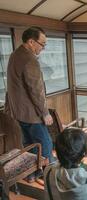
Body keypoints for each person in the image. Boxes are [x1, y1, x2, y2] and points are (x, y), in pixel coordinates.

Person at [4, 27, 54, 165]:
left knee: (29, 145)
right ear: (31, 42)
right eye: (42, 44)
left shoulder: (14, 55)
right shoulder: (30, 60)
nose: (43, 48)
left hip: (18, 112)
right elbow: (36, 91)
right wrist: (45, 113)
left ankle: (33, 173)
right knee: (46, 145)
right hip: (32, 114)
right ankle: (50, 175)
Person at [44, 128, 87, 200]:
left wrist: (72, 139)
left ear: (56, 150)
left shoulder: (48, 170)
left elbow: (62, 159)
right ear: (84, 154)